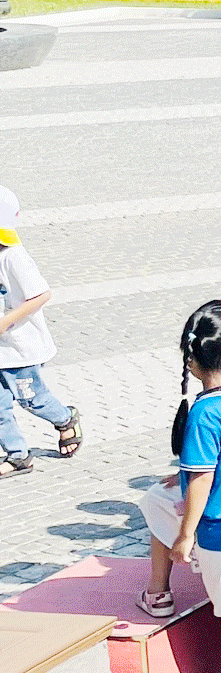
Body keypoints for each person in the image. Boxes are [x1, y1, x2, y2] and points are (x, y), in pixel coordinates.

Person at [141, 301, 221, 673]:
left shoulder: (205, 412)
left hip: (219, 522)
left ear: (192, 360)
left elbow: (201, 478)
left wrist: (185, 535)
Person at [0, 186, 81, 477]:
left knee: (31, 398)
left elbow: (41, 294)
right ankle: (18, 455)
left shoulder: (13, 257)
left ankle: (65, 419)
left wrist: (6, 321)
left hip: (20, 348)